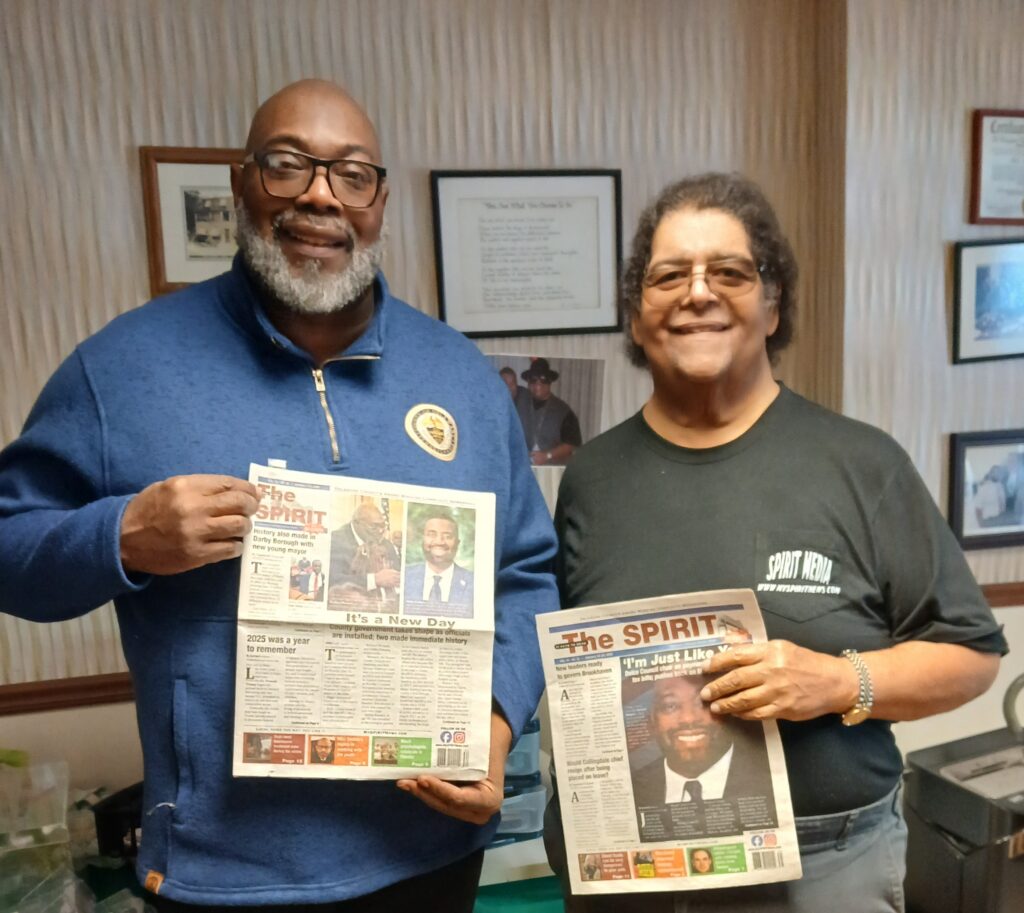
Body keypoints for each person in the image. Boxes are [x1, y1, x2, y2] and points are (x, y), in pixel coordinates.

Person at [0, 79, 558, 912]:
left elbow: (525, 573)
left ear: (380, 201)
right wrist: (123, 536)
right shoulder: (122, 367)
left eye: (352, 174)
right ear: (241, 183)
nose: (320, 197)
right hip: (222, 871)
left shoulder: (463, 378)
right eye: (288, 166)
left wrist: (499, 720)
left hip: (429, 854)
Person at [544, 173, 1006, 912]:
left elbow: (971, 655)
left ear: (772, 304)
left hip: (825, 868)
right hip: (632, 869)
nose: (698, 292)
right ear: (637, 316)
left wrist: (837, 681)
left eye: (729, 271)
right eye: (669, 276)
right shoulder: (590, 477)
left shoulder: (862, 464)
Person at [629, 673, 774, 821]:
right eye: (670, 705)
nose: (688, 719)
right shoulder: (633, 789)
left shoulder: (771, 779)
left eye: (704, 703)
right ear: (652, 721)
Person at [328, 501, 401, 610]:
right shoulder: (335, 540)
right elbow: (333, 579)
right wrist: (374, 580)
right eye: (374, 526)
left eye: (383, 526)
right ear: (357, 523)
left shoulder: (386, 544)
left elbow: (398, 575)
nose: (380, 531)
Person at [515, 357, 583, 466]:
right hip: (525, 469)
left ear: (550, 382)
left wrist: (547, 456)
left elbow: (572, 445)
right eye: (533, 379)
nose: (538, 384)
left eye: (543, 379)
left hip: (552, 471)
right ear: (528, 382)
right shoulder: (520, 401)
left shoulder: (564, 411)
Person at [404, 511, 474, 615]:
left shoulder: (473, 582)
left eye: (447, 536)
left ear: (457, 543)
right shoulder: (404, 576)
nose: (439, 541)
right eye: (432, 535)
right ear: (423, 540)